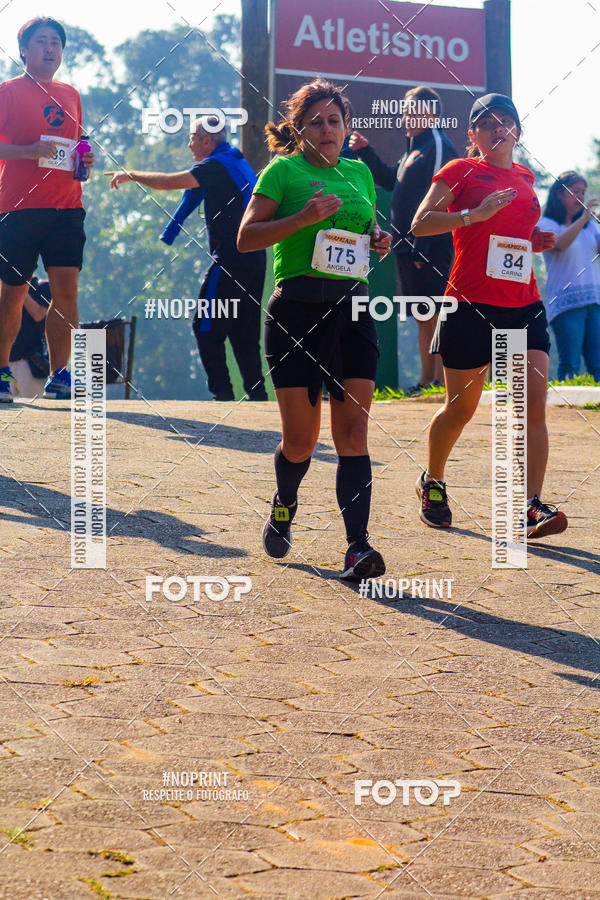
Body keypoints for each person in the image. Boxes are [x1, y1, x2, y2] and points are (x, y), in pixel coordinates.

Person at [237, 78, 392, 580]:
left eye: (335, 121)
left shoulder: (360, 173)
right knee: (301, 442)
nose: (327, 130)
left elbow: (359, 235)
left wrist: (376, 241)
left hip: (352, 310)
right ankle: (284, 501)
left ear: (347, 127)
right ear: (298, 130)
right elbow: (246, 238)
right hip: (296, 313)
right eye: (316, 122)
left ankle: (357, 547)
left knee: (353, 431)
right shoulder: (282, 172)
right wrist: (303, 217)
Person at [411, 92, 568, 540]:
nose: (500, 128)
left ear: (519, 130)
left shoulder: (525, 175)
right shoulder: (459, 171)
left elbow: (512, 233)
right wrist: (473, 214)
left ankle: (528, 506)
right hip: (470, 304)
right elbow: (421, 222)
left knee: (531, 406)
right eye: (488, 122)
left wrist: (533, 239)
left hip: (524, 303)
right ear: (472, 134)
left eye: (508, 121)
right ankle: (433, 481)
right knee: (461, 409)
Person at [106, 117, 268, 402]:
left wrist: (131, 174)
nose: (189, 143)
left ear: (207, 141)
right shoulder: (235, 161)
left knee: (205, 326)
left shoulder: (216, 165)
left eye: (193, 137)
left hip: (231, 258)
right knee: (244, 331)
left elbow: (171, 182)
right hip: (255, 258)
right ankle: (257, 397)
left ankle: (223, 395)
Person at [0, 17, 94, 403]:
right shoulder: (7, 92)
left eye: (56, 42)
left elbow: (77, 143)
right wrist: (26, 152)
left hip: (67, 208)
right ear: (24, 49)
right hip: (18, 208)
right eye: (42, 41)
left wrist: (83, 162)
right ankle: (2, 372)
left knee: (66, 292)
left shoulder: (70, 93)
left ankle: (62, 374)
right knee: (12, 294)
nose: (50, 48)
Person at [350, 85, 457, 392]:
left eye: (414, 109)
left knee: (434, 311)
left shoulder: (436, 145)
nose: (406, 115)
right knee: (424, 314)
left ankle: (438, 380)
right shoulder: (414, 148)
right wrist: (365, 151)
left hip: (430, 246)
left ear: (432, 114)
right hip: (408, 246)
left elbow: (437, 199)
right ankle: (428, 380)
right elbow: (388, 181)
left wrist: (422, 248)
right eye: (405, 109)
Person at [538, 172, 600, 381]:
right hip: (566, 305)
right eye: (574, 192)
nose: (580, 197)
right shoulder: (547, 224)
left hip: (595, 303)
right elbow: (560, 244)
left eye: (582, 192)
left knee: (598, 364)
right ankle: (567, 410)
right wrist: (583, 219)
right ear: (558, 195)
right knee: (570, 364)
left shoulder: (590, 227)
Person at [9, 276, 51, 397]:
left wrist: (19, 289)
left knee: (41, 411)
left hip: (30, 363)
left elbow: (39, 314)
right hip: (5, 364)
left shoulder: (42, 288)